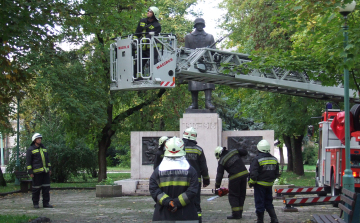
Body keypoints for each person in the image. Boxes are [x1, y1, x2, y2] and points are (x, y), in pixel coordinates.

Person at [149, 137, 199, 222]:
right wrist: (177, 202)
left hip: (162, 216)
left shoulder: (157, 171)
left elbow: (154, 189)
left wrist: (168, 202)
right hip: (187, 216)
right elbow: (193, 191)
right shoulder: (191, 171)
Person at [184, 18, 216, 110]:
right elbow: (186, 52)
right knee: (193, 81)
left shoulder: (210, 37)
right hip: (194, 63)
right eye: (198, 24)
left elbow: (214, 51)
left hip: (207, 63)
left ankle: (208, 102)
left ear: (203, 25)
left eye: (201, 24)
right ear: (195, 25)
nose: (199, 26)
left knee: (208, 81)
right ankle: (194, 103)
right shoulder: (188, 37)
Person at [248, 139, 280, 223]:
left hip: (259, 185)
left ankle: (260, 220)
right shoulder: (274, 159)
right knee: (269, 202)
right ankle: (274, 219)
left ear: (259, 148)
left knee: (259, 202)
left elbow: (253, 174)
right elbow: (277, 173)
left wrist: (251, 182)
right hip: (269, 185)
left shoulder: (257, 159)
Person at [182, 127, 209, 222]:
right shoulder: (199, 150)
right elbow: (203, 167)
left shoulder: (179, 148)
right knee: (196, 201)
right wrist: (206, 180)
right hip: (195, 182)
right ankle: (198, 218)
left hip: (181, 180)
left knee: (182, 199)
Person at [214, 146, 249, 219]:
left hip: (234, 178)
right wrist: (237, 150)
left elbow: (219, 174)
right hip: (244, 175)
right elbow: (245, 152)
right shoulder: (234, 151)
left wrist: (217, 186)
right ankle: (240, 213)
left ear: (219, 154)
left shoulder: (222, 161)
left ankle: (236, 214)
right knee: (241, 195)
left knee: (233, 196)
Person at [26, 133, 53, 209]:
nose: (40, 140)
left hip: (45, 172)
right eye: (38, 139)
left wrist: (49, 169)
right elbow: (28, 162)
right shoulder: (30, 149)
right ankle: (35, 203)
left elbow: (47, 160)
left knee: (46, 188)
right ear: (34, 140)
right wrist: (30, 172)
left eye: (40, 138)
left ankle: (46, 203)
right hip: (36, 173)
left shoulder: (44, 148)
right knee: (36, 189)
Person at [134, 6, 161, 78]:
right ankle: (138, 78)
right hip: (142, 48)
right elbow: (137, 33)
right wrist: (134, 41)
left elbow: (150, 36)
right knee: (137, 65)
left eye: (150, 11)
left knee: (155, 64)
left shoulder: (157, 25)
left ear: (154, 14)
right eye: (148, 11)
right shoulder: (142, 21)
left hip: (152, 49)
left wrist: (141, 40)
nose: (148, 12)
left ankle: (155, 78)